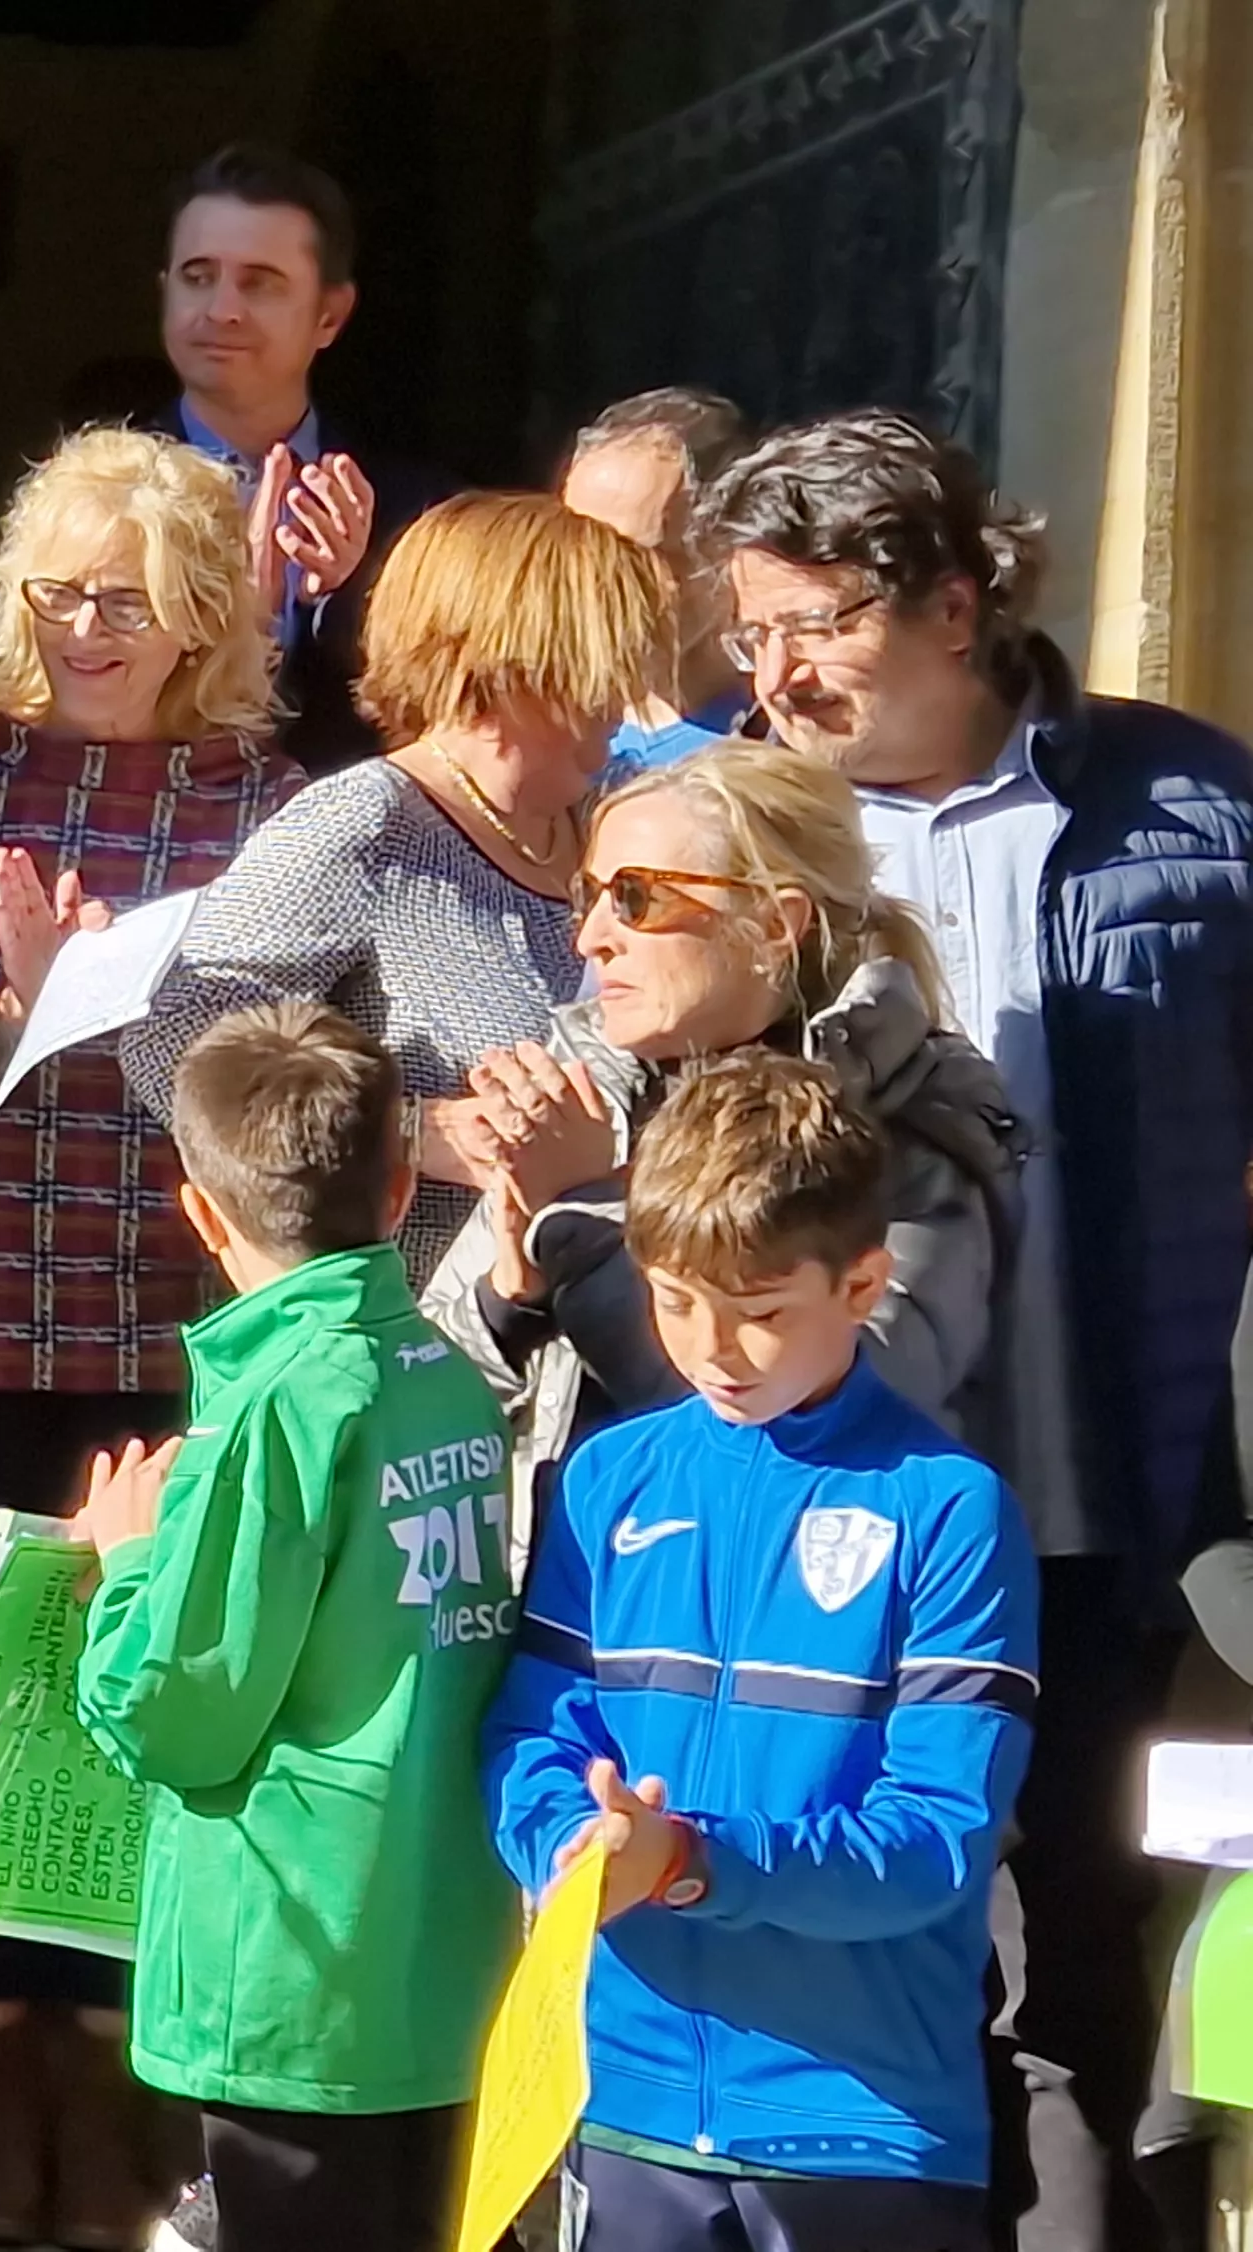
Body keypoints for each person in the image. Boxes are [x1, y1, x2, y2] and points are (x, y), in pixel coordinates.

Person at [702, 407, 1253, 2252]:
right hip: (829, 1496)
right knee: (840, 1912)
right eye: (748, 629)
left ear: (954, 600)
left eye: (819, 625)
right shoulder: (726, 818)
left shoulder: (1191, 809)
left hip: (1114, 1492)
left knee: (1090, 1939)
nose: (775, 673)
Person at [0, 426, 301, 2250]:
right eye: (56, 595)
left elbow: (287, 1076)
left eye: (126, 600)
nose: (87, 629)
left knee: (154, 1701)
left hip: (174, 1310)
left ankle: (136, 2083)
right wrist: (12, 1003)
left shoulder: (266, 795)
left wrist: (132, 1023)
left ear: (206, 609)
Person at [481, 1052, 1038, 2252]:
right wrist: (573, 1848)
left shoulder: (947, 1510)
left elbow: (938, 1836)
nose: (713, 1347)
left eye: (760, 1309)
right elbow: (533, 1729)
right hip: (621, 2099)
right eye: (675, 1300)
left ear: (864, 1281)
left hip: (863, 2119)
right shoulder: (608, 1478)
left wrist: (688, 1860)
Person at [65, 998, 516, 2252]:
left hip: (292, 1967)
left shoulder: (273, 1408)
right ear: (398, 1190)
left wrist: (129, 1562)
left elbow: (179, 1708)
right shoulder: (444, 1375)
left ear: (201, 1215)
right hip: (432, 1950)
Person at [419, 741, 1016, 1470]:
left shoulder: (903, 1117)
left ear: (771, 923)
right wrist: (509, 1297)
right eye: (590, 895)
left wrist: (579, 1214)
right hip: (578, 1575)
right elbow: (424, 1400)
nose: (591, 938)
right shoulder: (589, 1089)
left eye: (636, 898)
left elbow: (814, 1426)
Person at [121, 492, 668, 1286]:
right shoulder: (367, 823)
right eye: (599, 661)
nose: (621, 698)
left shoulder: (623, 811)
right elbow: (175, 1038)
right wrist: (406, 1130)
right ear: (508, 665)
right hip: (428, 1350)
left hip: (628, 1326)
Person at [152, 142, 460, 771]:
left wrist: (346, 601)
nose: (222, 310)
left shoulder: (421, 515)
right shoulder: (85, 496)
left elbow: (454, 726)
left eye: (259, 284)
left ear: (330, 315)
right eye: (198, 277)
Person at [555, 387, 754, 768]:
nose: (595, 581)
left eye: (634, 556)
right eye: (578, 548)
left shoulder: (791, 734)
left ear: (731, 548)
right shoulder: (536, 729)